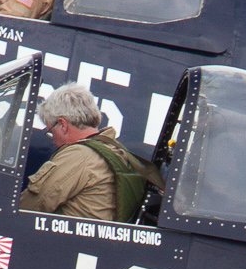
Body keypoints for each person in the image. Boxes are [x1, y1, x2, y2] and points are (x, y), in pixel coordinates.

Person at [16, 85, 158, 224]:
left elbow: (31, 206)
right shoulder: (116, 151)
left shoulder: (79, 155)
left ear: (63, 125)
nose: (53, 141)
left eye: (51, 132)